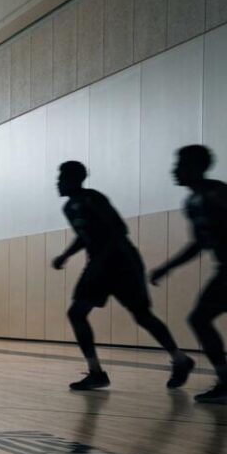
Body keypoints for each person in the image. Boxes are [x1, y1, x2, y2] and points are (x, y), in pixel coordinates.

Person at [51, 161, 194, 391]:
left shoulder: (93, 198)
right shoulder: (69, 207)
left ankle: (180, 359)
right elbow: (84, 236)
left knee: (141, 315)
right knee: (77, 313)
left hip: (122, 263)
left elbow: (118, 230)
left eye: (61, 177)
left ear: (74, 179)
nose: (57, 182)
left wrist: (99, 261)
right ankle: (96, 372)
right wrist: (65, 255)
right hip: (98, 266)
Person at [151, 145, 227, 404]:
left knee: (200, 318)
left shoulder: (218, 193)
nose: (175, 169)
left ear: (197, 167)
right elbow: (199, 243)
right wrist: (167, 267)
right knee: (199, 319)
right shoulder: (193, 202)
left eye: (181, 164)